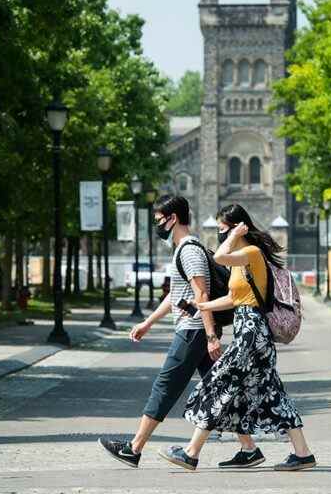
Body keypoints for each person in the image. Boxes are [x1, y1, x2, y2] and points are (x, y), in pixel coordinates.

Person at [159, 204, 316, 472]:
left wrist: (232, 237)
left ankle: (191, 452)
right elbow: (235, 298)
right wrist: (202, 307)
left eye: (223, 229)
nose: (220, 234)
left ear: (237, 227)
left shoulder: (251, 253)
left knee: (221, 384)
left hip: (252, 332)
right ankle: (299, 453)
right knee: (271, 393)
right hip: (250, 329)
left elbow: (219, 257)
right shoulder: (241, 260)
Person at [97, 195, 222, 468]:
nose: (157, 226)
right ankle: (249, 447)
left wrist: (211, 335)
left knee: (164, 387)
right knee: (218, 388)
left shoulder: (189, 250)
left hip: (193, 330)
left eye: (158, 220)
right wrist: (148, 322)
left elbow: (202, 293)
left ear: (172, 218)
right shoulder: (183, 249)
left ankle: (134, 448)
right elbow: (177, 295)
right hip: (195, 329)